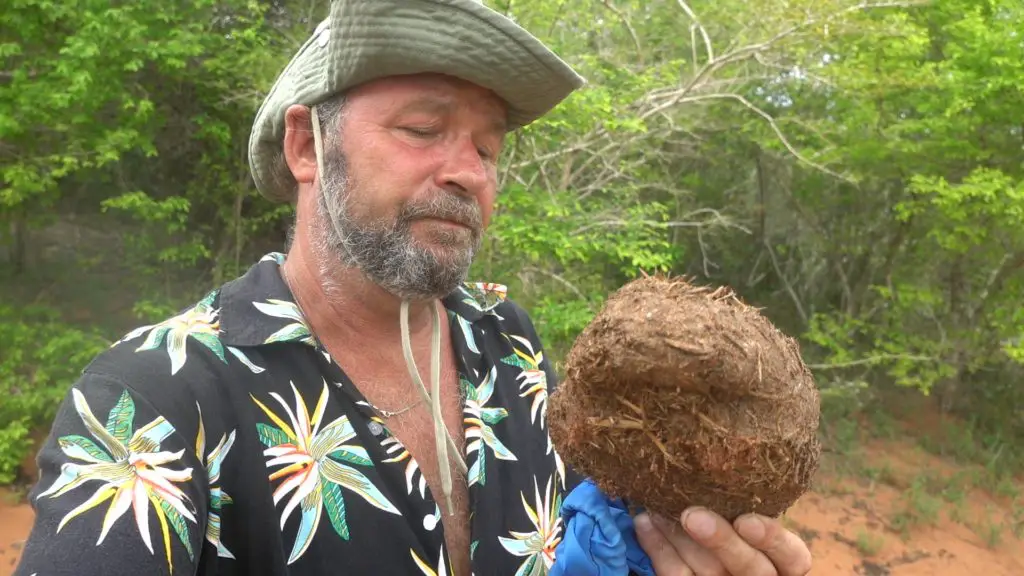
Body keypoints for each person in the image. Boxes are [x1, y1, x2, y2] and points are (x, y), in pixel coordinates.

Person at [14, 1, 813, 575]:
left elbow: (593, 538)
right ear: (307, 145)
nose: (468, 172)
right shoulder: (152, 395)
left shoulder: (514, 349)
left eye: (490, 150)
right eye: (423, 130)